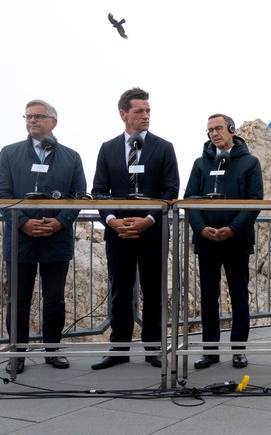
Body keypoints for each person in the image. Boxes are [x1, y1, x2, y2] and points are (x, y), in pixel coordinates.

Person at [0, 99, 87, 374]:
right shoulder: (9, 154)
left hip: (56, 239)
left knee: (54, 300)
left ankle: (53, 350)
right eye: (28, 116)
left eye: (38, 116)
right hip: (20, 240)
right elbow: (1, 194)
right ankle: (17, 354)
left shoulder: (71, 157)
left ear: (53, 122)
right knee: (18, 301)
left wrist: (60, 222)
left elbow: (78, 195)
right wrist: (23, 222)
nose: (32, 120)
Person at [91, 87, 179, 370]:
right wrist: (112, 220)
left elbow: (170, 191)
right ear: (123, 114)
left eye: (148, 111)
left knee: (153, 291)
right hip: (118, 232)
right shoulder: (107, 149)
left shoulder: (164, 148)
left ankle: (154, 349)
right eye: (139, 111)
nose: (146, 116)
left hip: (152, 232)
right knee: (120, 291)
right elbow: (99, 191)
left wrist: (148, 220)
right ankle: (119, 349)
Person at [185, 113, 263, 370]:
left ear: (231, 129)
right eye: (210, 130)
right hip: (207, 240)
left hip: (236, 240)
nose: (214, 133)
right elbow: (190, 199)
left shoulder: (250, 162)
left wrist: (232, 229)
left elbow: (254, 201)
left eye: (218, 128)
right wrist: (200, 228)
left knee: (238, 295)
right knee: (209, 297)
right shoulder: (200, 163)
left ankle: (239, 350)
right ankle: (210, 351)